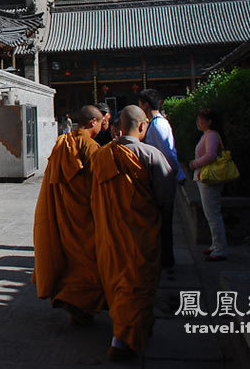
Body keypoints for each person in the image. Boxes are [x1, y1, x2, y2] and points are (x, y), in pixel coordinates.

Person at [92, 105, 178, 362]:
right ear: (142, 127)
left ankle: (123, 334)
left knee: (118, 283)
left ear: (118, 127)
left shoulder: (101, 155)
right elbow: (166, 197)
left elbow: (93, 195)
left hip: (109, 234)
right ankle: (124, 339)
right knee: (137, 285)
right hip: (140, 234)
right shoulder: (151, 155)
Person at [33, 105, 106, 325]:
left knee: (70, 261)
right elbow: (99, 183)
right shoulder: (90, 146)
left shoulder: (63, 143)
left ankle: (75, 305)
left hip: (65, 215)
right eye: (102, 121)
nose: (103, 125)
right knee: (88, 264)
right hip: (85, 217)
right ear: (93, 122)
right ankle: (81, 306)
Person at [137, 88, 183, 269]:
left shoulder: (157, 125)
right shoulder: (157, 123)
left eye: (140, 103)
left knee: (163, 221)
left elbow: (169, 154)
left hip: (163, 178)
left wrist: (178, 174)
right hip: (162, 177)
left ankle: (166, 259)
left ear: (146, 105)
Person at [188, 108, 228, 262]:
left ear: (209, 121)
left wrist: (194, 164)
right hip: (205, 178)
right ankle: (215, 244)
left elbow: (210, 155)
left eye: (201, 119)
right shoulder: (208, 135)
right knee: (210, 213)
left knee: (213, 214)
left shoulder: (211, 136)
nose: (198, 122)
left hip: (209, 179)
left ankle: (220, 248)